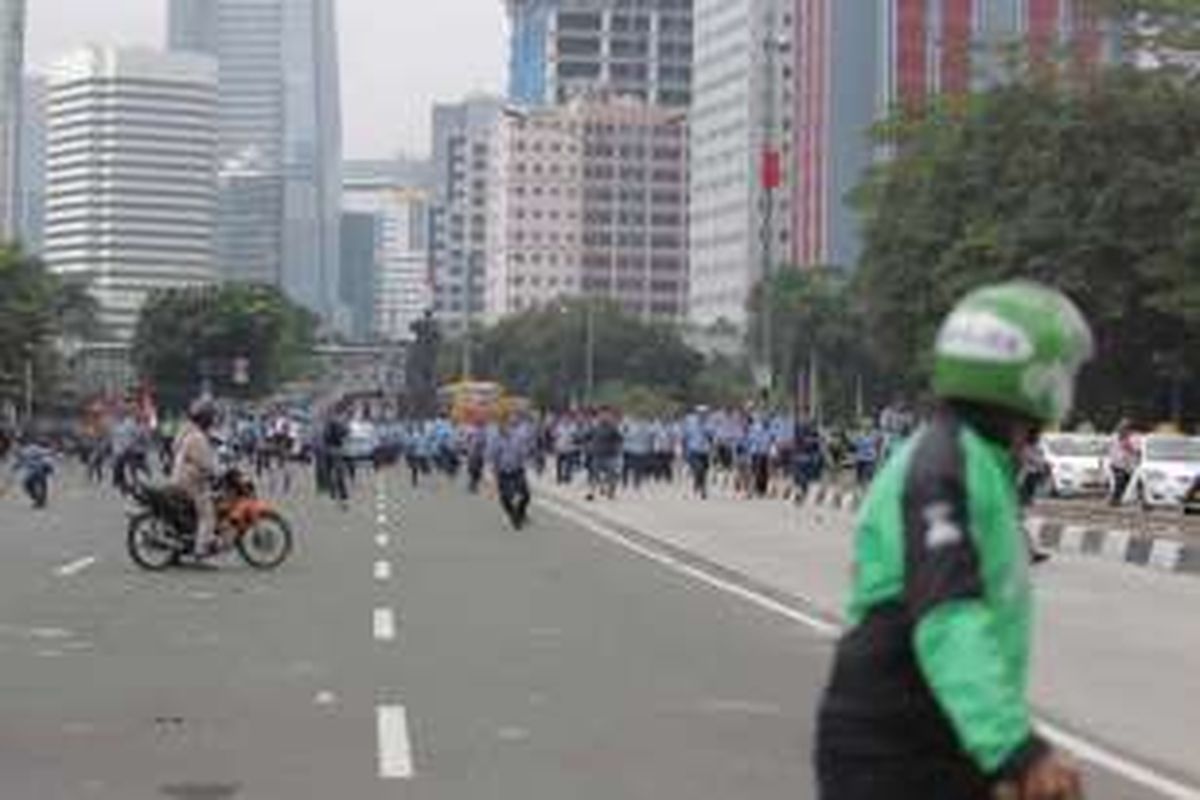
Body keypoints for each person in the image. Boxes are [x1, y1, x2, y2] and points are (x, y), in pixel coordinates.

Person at [815, 282, 1092, 800]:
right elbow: (949, 617)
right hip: (896, 741)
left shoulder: (978, 460)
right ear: (1031, 377)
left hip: (942, 729)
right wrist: (1016, 749)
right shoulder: (944, 468)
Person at [171, 399, 219, 560]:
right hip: (189, 482)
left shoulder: (186, 431)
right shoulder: (197, 437)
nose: (212, 421)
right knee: (208, 514)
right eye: (210, 417)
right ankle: (200, 549)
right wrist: (215, 473)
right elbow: (206, 463)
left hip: (181, 477)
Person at [489, 415, 531, 529]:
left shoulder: (517, 437)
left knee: (526, 496)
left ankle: (520, 513)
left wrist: (524, 462)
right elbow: (493, 458)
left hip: (517, 470)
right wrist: (494, 476)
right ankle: (513, 516)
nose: (504, 428)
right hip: (503, 472)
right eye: (502, 426)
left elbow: (523, 452)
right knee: (505, 497)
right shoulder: (496, 440)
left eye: (506, 425)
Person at [7, 435, 56, 509]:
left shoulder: (31, 449)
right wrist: (15, 467)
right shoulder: (27, 450)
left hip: (37, 469)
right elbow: (21, 460)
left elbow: (21, 460)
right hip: (36, 470)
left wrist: (15, 468)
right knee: (34, 484)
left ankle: (39, 499)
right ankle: (39, 499)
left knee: (34, 483)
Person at [1107, 419, 1138, 506]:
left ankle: (1121, 498)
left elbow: (1135, 451)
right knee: (1119, 480)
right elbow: (1110, 449)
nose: (1123, 430)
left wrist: (1128, 445)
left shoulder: (1133, 438)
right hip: (1116, 464)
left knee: (1126, 483)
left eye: (1125, 428)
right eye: (1121, 428)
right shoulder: (1114, 437)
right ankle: (1115, 499)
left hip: (1129, 465)